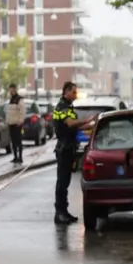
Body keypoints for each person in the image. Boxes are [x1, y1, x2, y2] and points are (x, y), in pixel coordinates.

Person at [52, 81, 95, 224]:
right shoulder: (62, 107)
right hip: (64, 148)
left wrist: (92, 125)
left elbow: (73, 128)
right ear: (66, 92)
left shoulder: (68, 107)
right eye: (74, 92)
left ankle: (64, 211)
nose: (76, 94)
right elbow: (70, 124)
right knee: (62, 181)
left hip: (68, 147)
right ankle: (60, 212)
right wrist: (86, 120)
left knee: (66, 181)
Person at [6, 83, 25, 163]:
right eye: (10, 89)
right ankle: (15, 157)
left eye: (12, 89)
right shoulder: (10, 100)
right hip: (11, 123)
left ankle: (20, 157)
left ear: (15, 89)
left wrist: (20, 121)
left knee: (18, 141)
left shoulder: (19, 99)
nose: (11, 91)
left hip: (17, 124)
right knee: (13, 142)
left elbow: (22, 111)